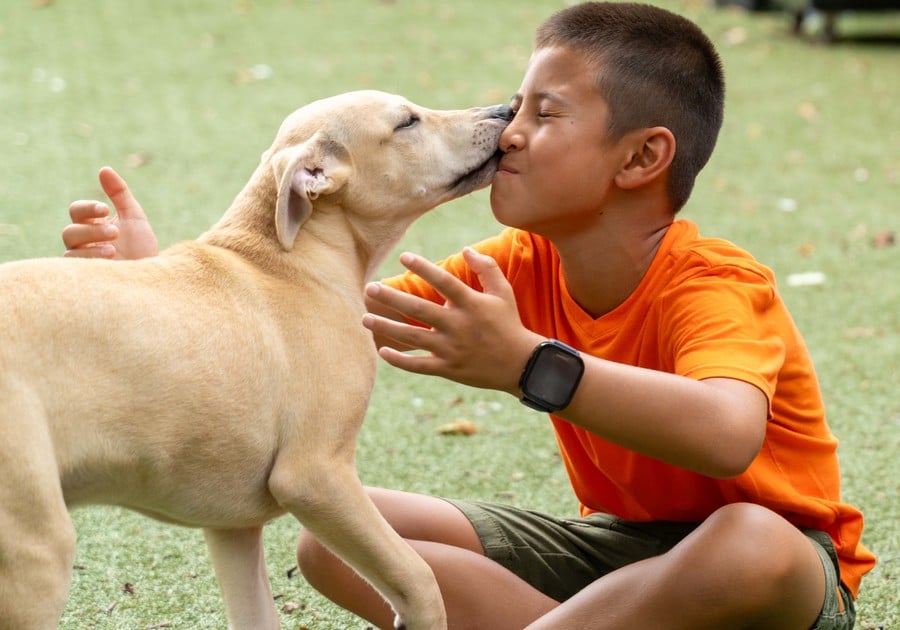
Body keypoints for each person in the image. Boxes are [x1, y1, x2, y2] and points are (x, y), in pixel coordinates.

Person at [63, 3, 874, 628]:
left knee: (753, 539)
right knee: (338, 537)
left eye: (544, 115)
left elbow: (726, 432)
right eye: (516, 106)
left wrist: (532, 367)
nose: (508, 133)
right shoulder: (514, 268)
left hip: (779, 575)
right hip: (614, 555)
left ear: (641, 158)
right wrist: (163, 281)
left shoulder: (712, 281)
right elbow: (302, 326)